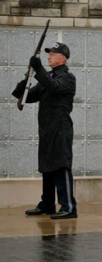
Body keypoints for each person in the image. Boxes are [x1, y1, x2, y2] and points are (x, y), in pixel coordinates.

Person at [12, 42, 78, 219]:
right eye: (48, 53)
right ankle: (47, 204)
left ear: (62, 58)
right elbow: (26, 96)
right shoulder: (47, 76)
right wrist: (26, 78)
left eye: (53, 53)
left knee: (61, 166)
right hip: (47, 129)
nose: (49, 56)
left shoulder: (67, 77)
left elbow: (54, 87)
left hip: (61, 128)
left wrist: (39, 69)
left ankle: (68, 207)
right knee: (47, 167)